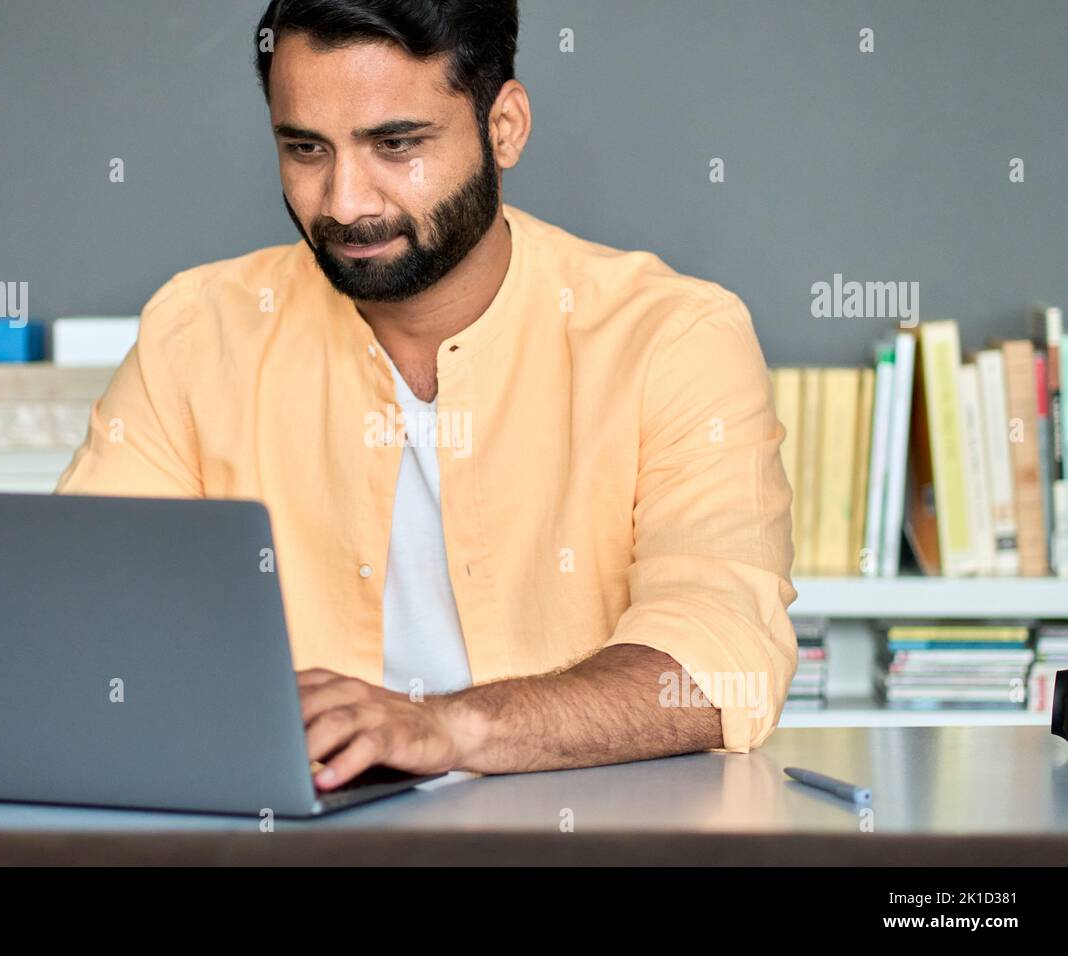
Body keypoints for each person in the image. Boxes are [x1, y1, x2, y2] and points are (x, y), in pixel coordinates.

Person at [57, 0, 797, 791]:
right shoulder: (196, 331)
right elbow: (81, 616)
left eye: (397, 144)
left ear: (504, 126)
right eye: (306, 149)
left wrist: (444, 727)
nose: (345, 203)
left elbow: (722, 656)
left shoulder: (674, 337)